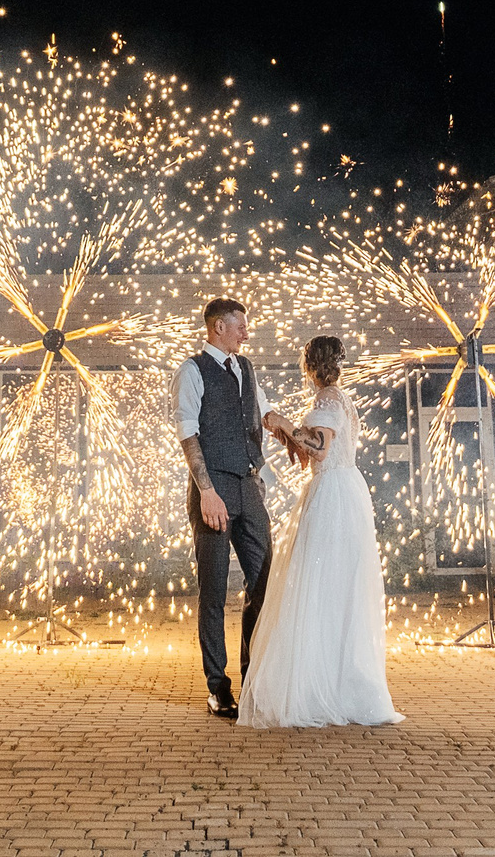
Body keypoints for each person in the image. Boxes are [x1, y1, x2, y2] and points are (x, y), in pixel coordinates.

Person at [236, 334, 403, 730]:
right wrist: (293, 438)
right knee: (335, 588)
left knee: (317, 585)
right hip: (344, 492)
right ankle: (338, 679)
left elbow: (320, 445)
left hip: (331, 497)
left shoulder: (328, 398)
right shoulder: (337, 398)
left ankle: (319, 686)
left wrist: (284, 424)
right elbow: (318, 444)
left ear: (309, 364)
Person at [178, 296, 301, 721]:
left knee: (264, 583)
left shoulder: (245, 368)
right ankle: (218, 689)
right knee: (212, 593)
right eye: (240, 326)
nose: (246, 333)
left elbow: (264, 413)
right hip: (212, 490)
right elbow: (188, 435)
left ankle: (251, 678)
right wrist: (207, 491)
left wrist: (289, 430)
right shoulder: (192, 371)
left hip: (249, 489)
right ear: (218, 328)